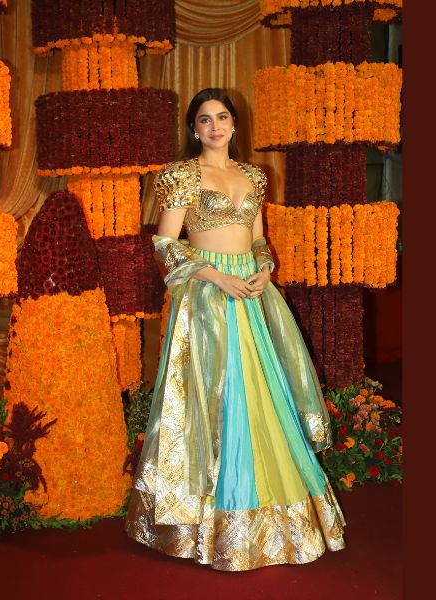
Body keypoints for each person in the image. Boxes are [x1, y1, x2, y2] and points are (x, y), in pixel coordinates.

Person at [125, 88, 345, 571]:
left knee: (263, 394)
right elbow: (165, 243)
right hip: (208, 296)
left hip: (251, 290)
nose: (214, 127)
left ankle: (276, 518)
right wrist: (216, 276)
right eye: (204, 120)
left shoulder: (254, 176)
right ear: (193, 129)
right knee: (218, 399)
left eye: (221, 117)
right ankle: (208, 522)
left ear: (234, 124)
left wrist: (264, 268)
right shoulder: (180, 175)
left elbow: (259, 237)